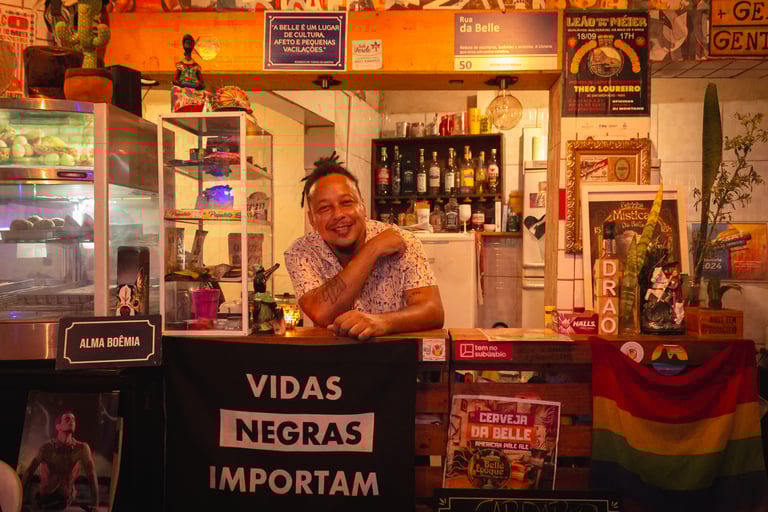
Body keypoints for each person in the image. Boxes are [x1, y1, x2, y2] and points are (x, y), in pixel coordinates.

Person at [285, 152, 444, 341]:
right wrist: (372, 249)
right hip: (332, 357)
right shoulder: (301, 252)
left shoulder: (402, 240)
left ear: (363, 207)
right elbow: (322, 313)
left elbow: (432, 312)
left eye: (347, 203)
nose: (338, 215)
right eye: (325, 208)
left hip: (394, 355)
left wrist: (381, 323)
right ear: (312, 219)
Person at [21, 411, 99, 511]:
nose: (71, 421)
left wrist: (95, 504)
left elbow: (91, 474)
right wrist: (19, 496)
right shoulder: (46, 448)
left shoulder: (82, 448)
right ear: (58, 426)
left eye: (73, 420)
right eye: (67, 419)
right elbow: (29, 471)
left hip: (65, 499)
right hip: (43, 500)